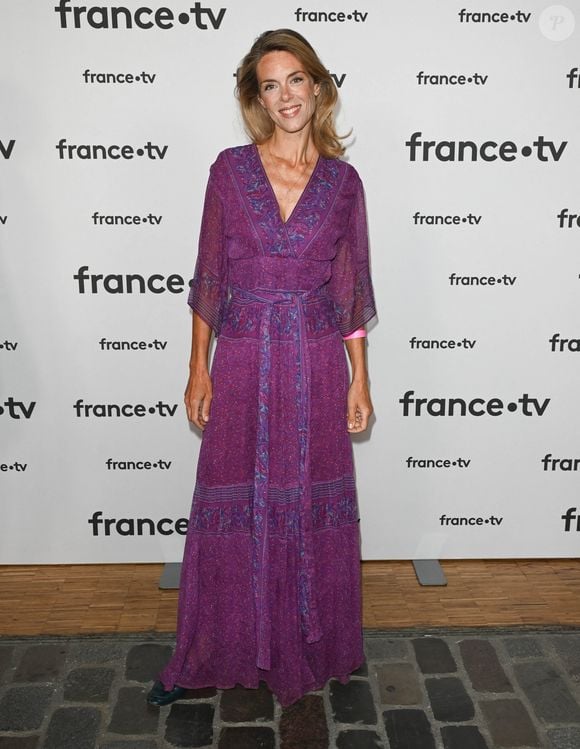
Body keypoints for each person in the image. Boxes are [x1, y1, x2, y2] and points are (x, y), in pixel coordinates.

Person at [147, 28, 377, 709]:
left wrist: (360, 376)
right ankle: (207, 652)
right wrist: (199, 368)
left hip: (314, 360)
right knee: (229, 502)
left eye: (296, 80)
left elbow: (350, 289)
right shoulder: (228, 169)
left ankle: (311, 646)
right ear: (257, 97)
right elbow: (210, 277)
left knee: (309, 502)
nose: (286, 96)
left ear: (319, 87)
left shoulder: (342, 182)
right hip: (243, 357)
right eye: (270, 84)